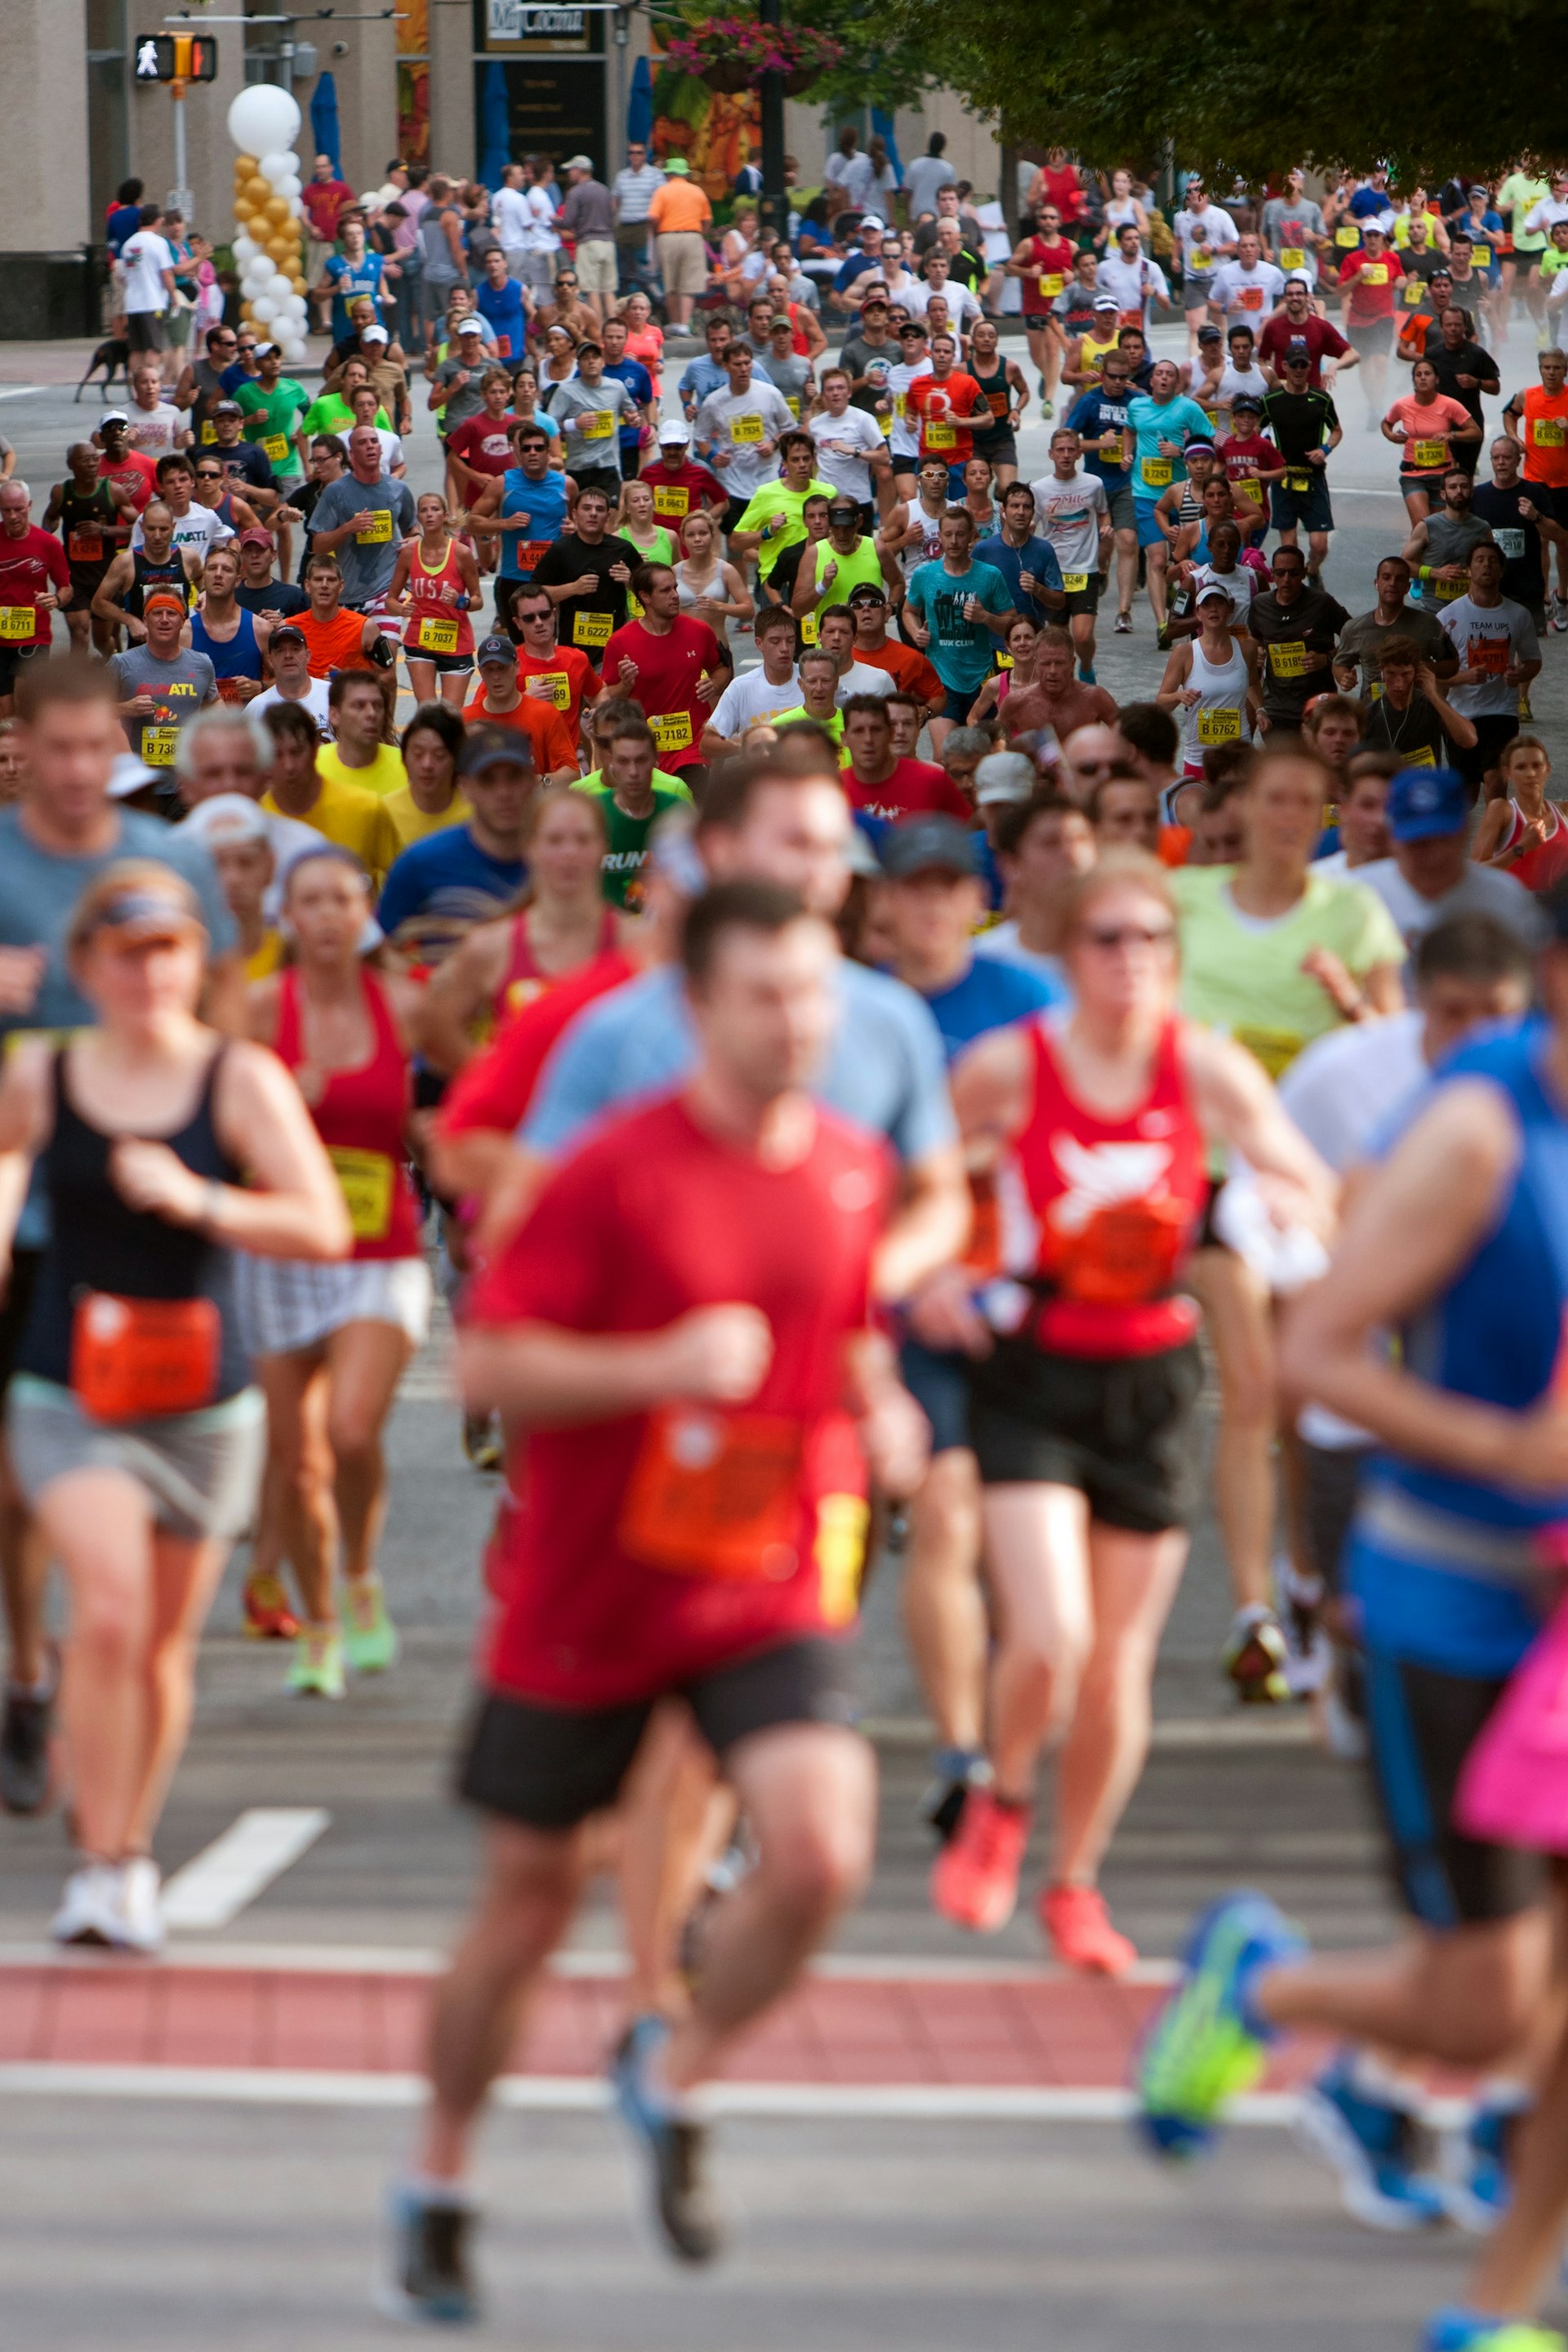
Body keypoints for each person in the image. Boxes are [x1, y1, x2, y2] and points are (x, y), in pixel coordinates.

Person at [390, 879, 927, 2319]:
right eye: (764, 994)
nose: (798, 1022)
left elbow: (851, 1336)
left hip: (763, 1576)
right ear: (694, 1006)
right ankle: (441, 2172)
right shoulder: (610, 1174)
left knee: (819, 1854)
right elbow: (493, 1371)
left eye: (817, 992)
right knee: (527, 1905)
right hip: (591, 1591)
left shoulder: (851, 1168)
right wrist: (655, 1368)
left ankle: (671, 2075)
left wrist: (886, 1414)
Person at [1141, 886, 1568, 2352]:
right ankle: (1266, 1986)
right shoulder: (1476, 1135)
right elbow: (1316, 1360)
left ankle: (1497, 2310)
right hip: (1456, 1601)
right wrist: (1512, 1454)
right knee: (1488, 2010)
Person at [923, 851, 1331, 1965]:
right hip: (1034, 1370)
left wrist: (1291, 1207)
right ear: (1067, 952)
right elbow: (921, 1184)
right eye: (1108, 939)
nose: (1131, 960)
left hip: (1150, 1380)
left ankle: (1074, 1882)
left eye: (1152, 940)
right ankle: (1003, 1805)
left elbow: (1302, 1177)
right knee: (1051, 1636)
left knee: (1119, 1664)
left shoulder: (1205, 1070)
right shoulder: (1011, 1067)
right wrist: (933, 1270)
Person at [0, 857, 345, 1943]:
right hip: (70, 1389)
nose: (148, 973)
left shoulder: (239, 1080)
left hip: (203, 1402)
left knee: (156, 1649)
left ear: (199, 964)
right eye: (126, 951)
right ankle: (104, 1863)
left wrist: (199, 1197)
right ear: (87, 966)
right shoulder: (40, 1075)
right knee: (105, 1609)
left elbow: (320, 1225)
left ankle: (128, 1847)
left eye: (169, 951)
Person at [1169, 747, 1405, 1696]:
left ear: (1326, 813)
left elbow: (1392, 1053)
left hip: (1311, 1187)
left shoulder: (1353, 913)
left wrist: (1344, 1000)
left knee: (1309, 1402)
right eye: (1275, 798)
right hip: (1215, 1183)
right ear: (1244, 805)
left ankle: (1310, 1584)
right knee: (1255, 1385)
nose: (1288, 814)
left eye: (1308, 801)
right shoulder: (1186, 906)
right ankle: (1252, 1606)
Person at [240, 845, 427, 1698]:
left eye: (339, 900)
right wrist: (274, 1106)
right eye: (306, 900)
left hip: (379, 1251)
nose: (323, 916)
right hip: (281, 1254)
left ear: (362, 916)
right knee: (300, 1463)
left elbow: (475, 1089)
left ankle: (358, 1574)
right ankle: (319, 1626)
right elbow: (208, 1118)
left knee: (350, 1431)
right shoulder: (254, 1011)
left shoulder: (404, 1006)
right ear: (288, 917)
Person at [415, 790, 621, 1076]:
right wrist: (494, 1077)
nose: (569, 853)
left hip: (605, 1117)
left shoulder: (638, 943)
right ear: (529, 848)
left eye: (583, 840)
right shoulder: (492, 946)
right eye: (555, 840)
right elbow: (436, 1028)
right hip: (518, 1119)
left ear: (604, 848)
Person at [376, 726, 539, 957]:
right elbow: (381, 950)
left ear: (532, 781)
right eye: (487, 780)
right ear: (465, 787)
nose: (503, 792)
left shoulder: (559, 857)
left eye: (513, 777)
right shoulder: (422, 862)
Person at [1357, 764, 1546, 956]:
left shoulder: (1506, 899)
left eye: (1444, 839)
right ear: (1391, 836)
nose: (1434, 856)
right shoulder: (1359, 896)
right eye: (1418, 843)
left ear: (1466, 830)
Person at [601, 564, 729, 782]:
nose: (675, 596)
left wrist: (715, 684)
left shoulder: (699, 631)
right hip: (645, 749)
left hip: (692, 746)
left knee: (692, 795)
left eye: (675, 588)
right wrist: (625, 685)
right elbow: (606, 699)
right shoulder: (620, 642)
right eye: (665, 591)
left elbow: (721, 669)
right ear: (645, 597)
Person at [1436, 539, 1544, 795]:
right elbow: (1433, 673)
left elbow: (1533, 661)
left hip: (1502, 713)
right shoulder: (1448, 616)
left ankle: (1499, 834)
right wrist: (1462, 677)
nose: (1487, 566)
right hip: (1461, 713)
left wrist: (1519, 674)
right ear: (1469, 570)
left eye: (1493, 561)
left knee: (1496, 783)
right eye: (1480, 560)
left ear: (1502, 570)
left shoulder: (1518, 615)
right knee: (1467, 794)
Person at [259, 701, 401, 885]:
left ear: (315, 750)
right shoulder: (254, 820)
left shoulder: (365, 808)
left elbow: (405, 879)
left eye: (296, 752)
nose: (289, 766)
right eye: (277, 754)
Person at [902, 508, 1015, 728]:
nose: (954, 541)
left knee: (980, 753)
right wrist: (916, 633)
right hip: (941, 679)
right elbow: (908, 611)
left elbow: (1012, 624)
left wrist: (986, 618)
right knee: (944, 755)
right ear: (940, 536)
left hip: (981, 677)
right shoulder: (924, 575)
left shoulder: (990, 575)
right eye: (948, 534)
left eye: (960, 534)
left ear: (972, 535)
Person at [529, 485, 639, 675]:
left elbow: (651, 590)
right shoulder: (560, 550)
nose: (593, 514)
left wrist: (631, 581)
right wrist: (573, 588)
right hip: (571, 649)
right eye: (587, 508)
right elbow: (533, 595)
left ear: (608, 516)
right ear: (574, 514)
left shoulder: (623, 549)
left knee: (608, 703)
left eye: (600, 509)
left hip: (613, 649)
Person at [386, 491, 480, 710]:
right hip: (420, 639)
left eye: (435, 509)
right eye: (424, 510)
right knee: (426, 709)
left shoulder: (461, 553)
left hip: (456, 640)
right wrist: (401, 609)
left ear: (445, 516)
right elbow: (390, 600)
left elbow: (477, 601)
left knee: (451, 713)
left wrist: (460, 601)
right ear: (418, 517)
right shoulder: (409, 553)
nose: (429, 515)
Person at [1156, 583, 1262, 774]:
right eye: (1206, 605)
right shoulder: (1184, 653)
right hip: (1200, 758)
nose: (1213, 609)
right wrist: (1178, 696)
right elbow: (1161, 704)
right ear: (1198, 613)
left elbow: (1252, 684)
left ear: (1230, 609)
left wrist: (1261, 709)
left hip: (1238, 754)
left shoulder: (1247, 649)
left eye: (1219, 603)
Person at [462, 636, 578, 785]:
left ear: (516, 667)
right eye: (489, 670)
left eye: (502, 668)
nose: (496, 676)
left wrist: (535, 782)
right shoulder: (465, 719)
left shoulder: (546, 713)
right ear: (481, 672)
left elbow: (572, 772)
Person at [1333, 555, 1455, 697]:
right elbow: (1340, 663)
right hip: (1373, 713)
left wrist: (1430, 668)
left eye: (1400, 579)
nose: (1392, 583)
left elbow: (1452, 665)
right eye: (1386, 577)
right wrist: (1345, 679)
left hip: (1416, 711)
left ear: (1407, 587)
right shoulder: (1355, 628)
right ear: (1376, 583)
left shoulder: (1428, 623)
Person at [0, 480, 73, 717]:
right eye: (6, 510)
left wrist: (56, 600)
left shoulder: (48, 544)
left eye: (18, 509)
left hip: (34, 635)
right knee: (5, 710)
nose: (12, 516)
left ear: (29, 506)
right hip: (0, 638)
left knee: (24, 704)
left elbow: (66, 587)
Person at [840, 695, 970, 824]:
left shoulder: (933, 779)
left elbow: (968, 829)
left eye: (876, 730)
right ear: (844, 738)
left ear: (890, 734)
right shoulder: (833, 791)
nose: (868, 739)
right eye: (858, 731)